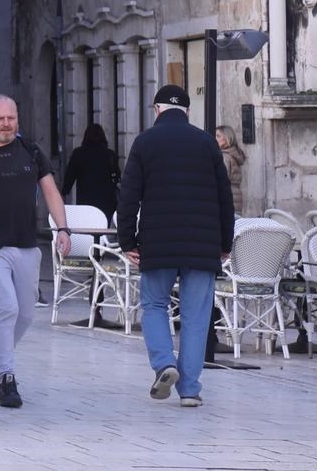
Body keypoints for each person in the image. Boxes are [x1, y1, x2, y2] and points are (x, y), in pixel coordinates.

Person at [116, 84, 234, 409]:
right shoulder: (207, 143)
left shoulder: (144, 142)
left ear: (156, 110)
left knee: (154, 305)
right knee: (196, 317)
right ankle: (191, 390)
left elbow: (128, 197)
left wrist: (127, 240)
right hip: (202, 244)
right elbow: (225, 197)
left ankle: (165, 363)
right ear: (187, 112)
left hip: (158, 242)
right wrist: (225, 243)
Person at [0, 95, 69, 409]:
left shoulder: (32, 151)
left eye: (11, 118)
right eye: (0, 118)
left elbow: (50, 191)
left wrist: (63, 228)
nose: (6, 124)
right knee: (5, 307)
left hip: (26, 245)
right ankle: (6, 377)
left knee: (25, 314)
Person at [62, 123, 121, 223]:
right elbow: (117, 176)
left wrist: (64, 192)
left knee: (87, 226)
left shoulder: (78, 153)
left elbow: (69, 176)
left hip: (86, 199)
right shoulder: (110, 154)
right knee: (104, 226)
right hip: (106, 200)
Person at [215, 124, 246, 215]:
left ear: (227, 139)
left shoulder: (225, 157)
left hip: (227, 196)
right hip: (235, 196)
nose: (215, 138)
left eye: (218, 136)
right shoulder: (233, 155)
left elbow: (221, 179)